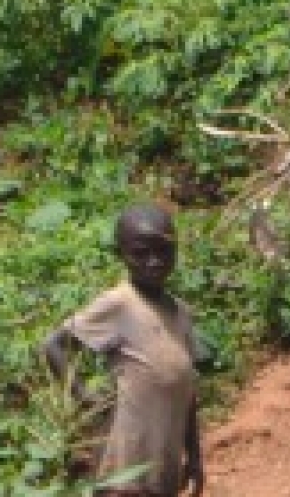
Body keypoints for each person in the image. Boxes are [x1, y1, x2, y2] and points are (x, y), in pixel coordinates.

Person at [43, 204, 205, 496]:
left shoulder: (180, 313)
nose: (154, 262)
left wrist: (194, 457)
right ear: (122, 254)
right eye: (141, 253)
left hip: (163, 467)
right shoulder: (119, 303)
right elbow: (54, 345)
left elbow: (187, 389)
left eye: (163, 251)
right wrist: (85, 398)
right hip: (124, 467)